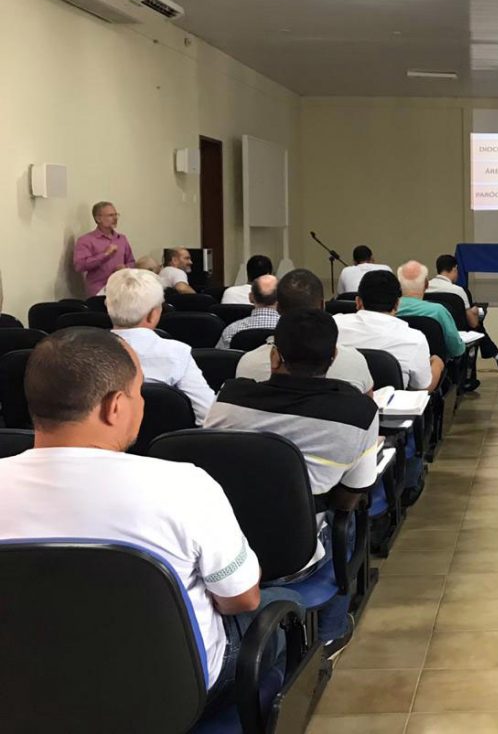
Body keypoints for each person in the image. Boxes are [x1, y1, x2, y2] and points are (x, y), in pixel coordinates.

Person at [0, 327, 264, 701]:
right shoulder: (184, 486)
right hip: (164, 692)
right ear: (116, 406)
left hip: (22, 690)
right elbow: (242, 599)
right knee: (280, 612)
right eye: (138, 392)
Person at [205, 309, 378, 652]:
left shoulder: (229, 397)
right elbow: (350, 496)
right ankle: (331, 631)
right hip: (294, 554)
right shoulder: (358, 413)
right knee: (350, 517)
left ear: (274, 356)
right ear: (333, 357)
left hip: (222, 545)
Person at [235, 269, 373, 394]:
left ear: (278, 308)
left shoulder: (247, 364)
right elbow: (370, 411)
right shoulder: (355, 362)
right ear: (322, 305)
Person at [106, 268, 215, 424]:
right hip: (169, 447)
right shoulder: (178, 353)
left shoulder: (82, 351)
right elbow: (208, 415)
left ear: (107, 307)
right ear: (154, 314)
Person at [334, 270, 439, 392]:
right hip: (390, 410)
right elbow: (421, 389)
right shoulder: (414, 339)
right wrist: (438, 364)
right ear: (397, 304)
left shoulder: (333, 325)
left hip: (335, 406)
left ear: (358, 302)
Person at [428, 254, 498, 372]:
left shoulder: (426, 287)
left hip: (432, 331)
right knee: (478, 321)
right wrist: (476, 312)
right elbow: (473, 323)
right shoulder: (458, 291)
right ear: (454, 269)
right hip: (457, 331)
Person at [394, 261, 466, 359]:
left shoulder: (390, 311)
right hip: (433, 368)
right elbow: (456, 350)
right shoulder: (438, 311)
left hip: (396, 367)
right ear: (426, 284)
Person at [73, 201, 135, 297]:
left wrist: (125, 268)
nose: (115, 219)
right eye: (110, 215)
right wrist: (104, 254)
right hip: (99, 291)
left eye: (116, 215)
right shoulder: (86, 240)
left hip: (122, 290)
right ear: (98, 218)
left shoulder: (121, 239)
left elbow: (132, 262)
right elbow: (79, 266)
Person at [216, 275, 279, 349]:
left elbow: (220, 358)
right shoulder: (293, 330)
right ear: (281, 298)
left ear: (251, 297)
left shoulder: (231, 331)